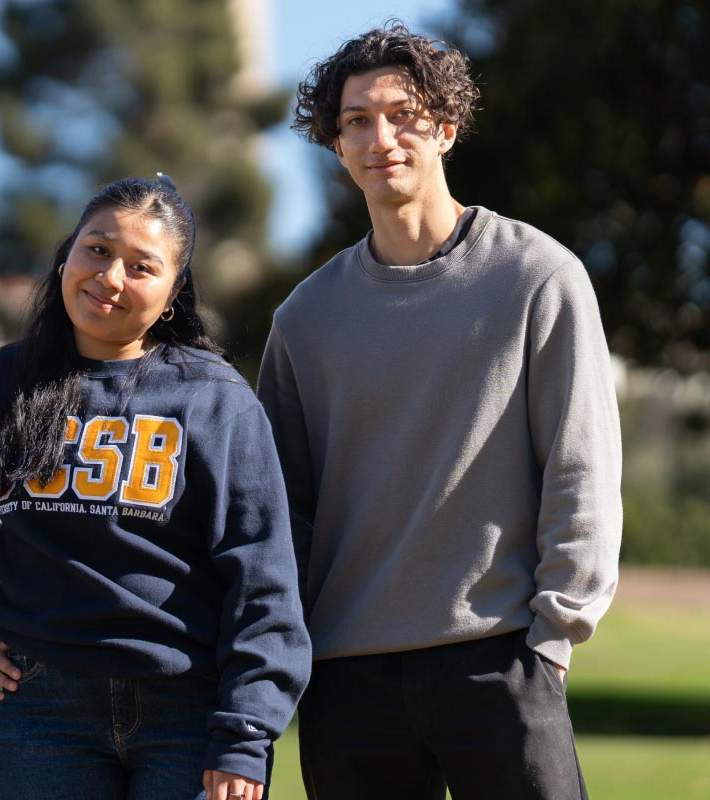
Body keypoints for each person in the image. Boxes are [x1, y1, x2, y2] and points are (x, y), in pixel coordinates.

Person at [257, 23, 623, 800]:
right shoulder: (305, 318)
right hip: (347, 677)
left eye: (403, 114)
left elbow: (581, 466)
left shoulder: (538, 277)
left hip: (502, 659)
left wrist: (553, 639)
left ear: (446, 129)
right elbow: (284, 514)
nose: (380, 137)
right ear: (335, 143)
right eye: (357, 120)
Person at [0, 176, 311, 800]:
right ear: (67, 255)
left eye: (141, 266)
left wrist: (245, 733)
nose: (111, 276)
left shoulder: (214, 399)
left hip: (188, 712)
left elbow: (262, 577)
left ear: (174, 292)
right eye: (97, 249)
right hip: (44, 709)